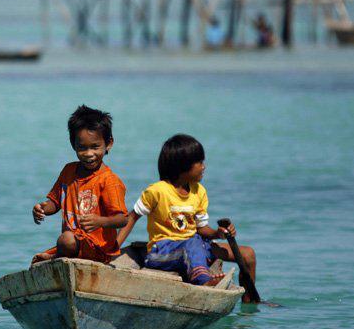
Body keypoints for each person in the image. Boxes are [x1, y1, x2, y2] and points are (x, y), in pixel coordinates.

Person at [116, 134, 260, 300]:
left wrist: (218, 233)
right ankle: (204, 281)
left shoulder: (199, 191)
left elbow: (201, 229)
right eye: (199, 162)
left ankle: (250, 302)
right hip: (161, 251)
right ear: (182, 166)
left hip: (196, 245)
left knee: (248, 255)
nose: (204, 167)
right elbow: (132, 217)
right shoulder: (157, 191)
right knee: (192, 243)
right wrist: (114, 249)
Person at [31, 105, 128, 265]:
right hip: (74, 245)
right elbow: (55, 202)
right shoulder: (68, 171)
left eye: (95, 147)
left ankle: (56, 258)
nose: (89, 154)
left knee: (66, 240)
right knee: (65, 241)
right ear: (73, 144)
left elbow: (122, 219)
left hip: (98, 249)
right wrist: (42, 209)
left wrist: (100, 221)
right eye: (82, 148)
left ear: (108, 143)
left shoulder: (109, 180)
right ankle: (59, 257)